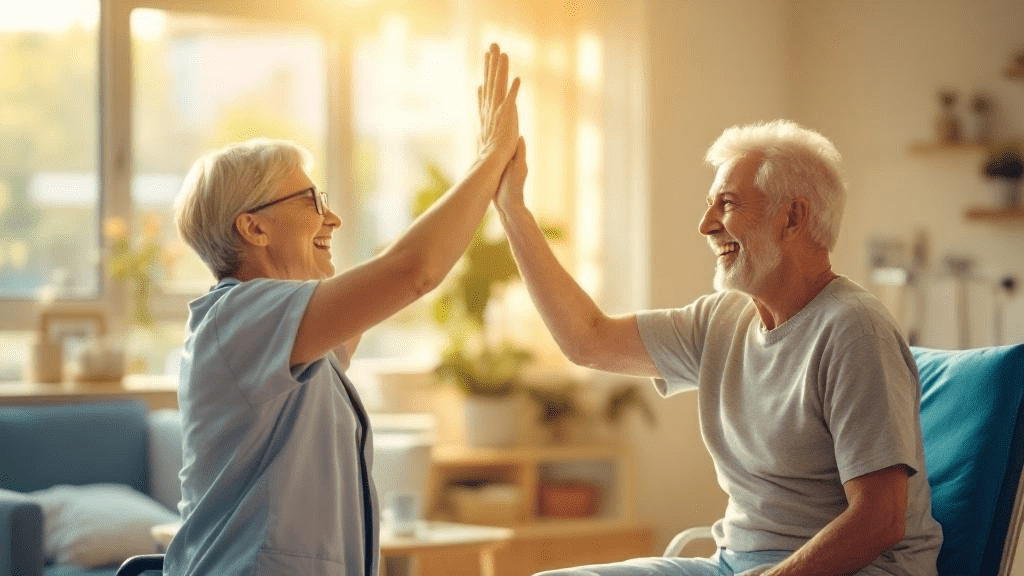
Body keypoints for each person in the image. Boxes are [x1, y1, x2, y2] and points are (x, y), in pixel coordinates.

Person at [493, 120, 942, 576]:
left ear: (793, 217)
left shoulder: (853, 330)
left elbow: (880, 520)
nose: (706, 225)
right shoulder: (722, 320)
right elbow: (589, 339)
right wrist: (513, 210)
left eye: (726, 204)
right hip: (734, 565)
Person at [163, 43, 520, 575]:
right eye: (311, 202)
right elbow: (410, 271)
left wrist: (490, 173)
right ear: (253, 227)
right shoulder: (240, 318)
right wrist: (490, 158)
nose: (332, 220)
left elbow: (390, 274)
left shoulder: (298, 337)